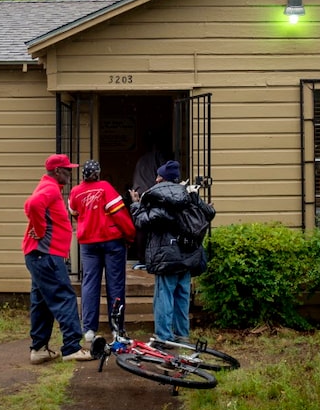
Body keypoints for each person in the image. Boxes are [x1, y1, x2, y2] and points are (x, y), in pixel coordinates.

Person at [129, 160, 214, 343]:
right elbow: (208, 213)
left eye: (158, 175)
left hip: (166, 255)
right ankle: (182, 334)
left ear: (161, 178)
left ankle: (164, 336)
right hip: (189, 253)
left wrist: (136, 205)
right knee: (182, 295)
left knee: (164, 296)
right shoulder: (189, 194)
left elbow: (143, 222)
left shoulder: (157, 197)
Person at [22, 154, 94, 364]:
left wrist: (39, 229)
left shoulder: (49, 187)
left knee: (42, 302)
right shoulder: (51, 188)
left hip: (39, 255)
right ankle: (72, 347)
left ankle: (39, 349)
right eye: (67, 170)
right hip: (46, 255)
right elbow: (33, 205)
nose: (71, 174)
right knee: (64, 297)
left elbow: (31, 205)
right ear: (57, 171)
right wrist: (39, 229)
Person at [68, 159, 136, 342]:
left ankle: (89, 329)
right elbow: (119, 215)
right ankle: (117, 329)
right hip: (112, 241)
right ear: (98, 173)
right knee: (115, 284)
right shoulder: (105, 188)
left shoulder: (75, 192)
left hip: (88, 243)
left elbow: (75, 213)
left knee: (89, 283)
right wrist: (130, 236)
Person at [130, 137, 166, 269]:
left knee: (141, 226)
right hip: (153, 195)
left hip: (140, 193)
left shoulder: (142, 160)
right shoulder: (159, 158)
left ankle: (142, 259)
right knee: (155, 226)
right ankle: (152, 258)